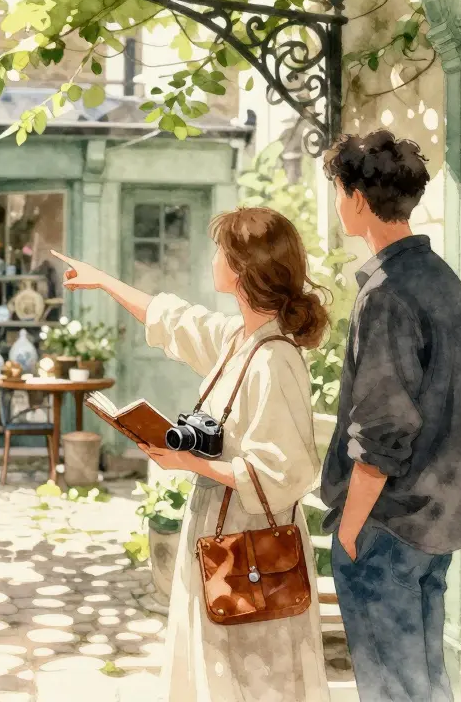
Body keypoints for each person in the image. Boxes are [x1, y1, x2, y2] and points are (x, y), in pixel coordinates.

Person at [53, 207, 331, 702]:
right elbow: (174, 319)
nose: (212, 258)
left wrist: (189, 462)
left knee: (253, 669)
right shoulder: (238, 340)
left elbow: (283, 472)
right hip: (217, 526)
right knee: (214, 661)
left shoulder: (274, 359)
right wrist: (103, 282)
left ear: (244, 270)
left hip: (251, 542)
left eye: (221, 250)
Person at [319, 130, 461, 702]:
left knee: (391, 689)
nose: (339, 203)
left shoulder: (386, 292)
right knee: (425, 683)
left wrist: (352, 528)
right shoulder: (442, 281)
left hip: (387, 524)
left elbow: (384, 428)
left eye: (339, 191)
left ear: (358, 198)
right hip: (435, 521)